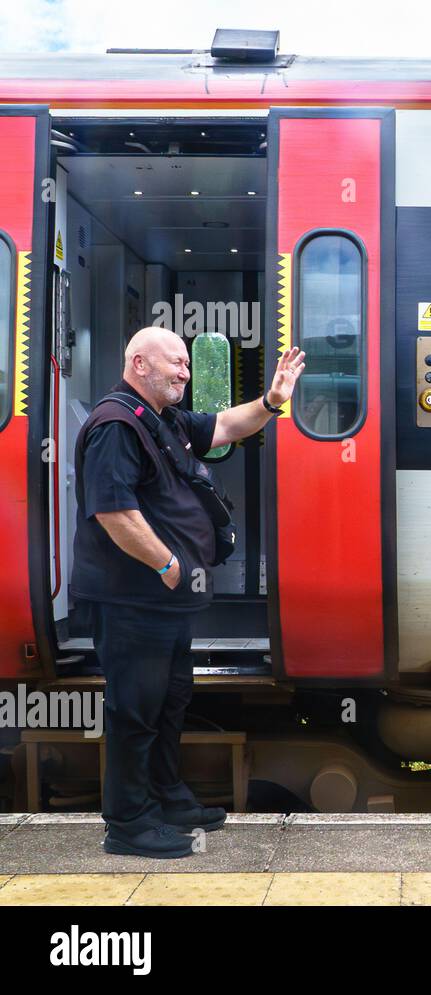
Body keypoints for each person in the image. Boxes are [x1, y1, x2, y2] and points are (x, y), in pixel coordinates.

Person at [70, 327, 305, 858]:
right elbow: (113, 511)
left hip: (164, 602)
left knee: (168, 702)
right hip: (132, 599)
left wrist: (271, 401)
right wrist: (169, 563)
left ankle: (167, 798)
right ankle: (128, 824)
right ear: (139, 364)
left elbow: (224, 426)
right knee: (135, 709)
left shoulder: (165, 420)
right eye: (175, 363)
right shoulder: (115, 424)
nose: (185, 372)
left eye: (186, 363)